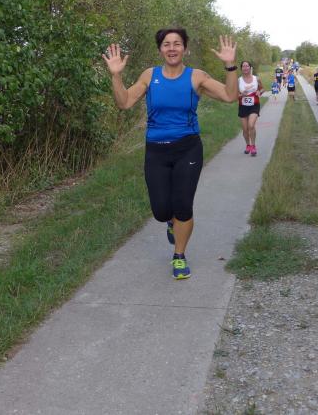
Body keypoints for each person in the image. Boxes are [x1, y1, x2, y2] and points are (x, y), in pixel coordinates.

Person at [102, 29, 238, 279]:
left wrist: (230, 66)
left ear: (185, 48)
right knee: (161, 210)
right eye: (167, 44)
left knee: (183, 206)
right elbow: (124, 102)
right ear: (160, 49)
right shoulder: (149, 76)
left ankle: (179, 256)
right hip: (156, 150)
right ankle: (170, 221)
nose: (172, 48)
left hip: (188, 148)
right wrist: (116, 75)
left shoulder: (196, 76)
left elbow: (230, 96)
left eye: (177, 44)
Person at [238, 61, 262, 156]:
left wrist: (260, 92)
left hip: (254, 105)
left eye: (247, 66)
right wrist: (241, 95)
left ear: (250, 67)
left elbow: (262, 89)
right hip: (243, 106)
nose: (245, 68)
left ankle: (253, 146)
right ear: (241, 68)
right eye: (243, 66)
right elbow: (234, 95)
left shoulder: (256, 79)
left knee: (251, 125)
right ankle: (248, 145)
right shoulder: (239, 80)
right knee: (245, 129)